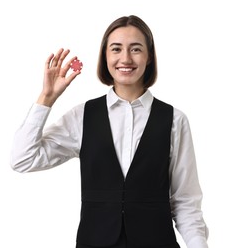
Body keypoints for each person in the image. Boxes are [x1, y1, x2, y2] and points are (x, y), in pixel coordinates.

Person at [11, 15, 209, 248]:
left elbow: (186, 202)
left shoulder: (175, 120)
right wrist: (46, 98)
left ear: (149, 57)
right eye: (116, 49)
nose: (125, 58)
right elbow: (22, 159)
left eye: (136, 49)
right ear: (105, 56)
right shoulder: (82, 116)